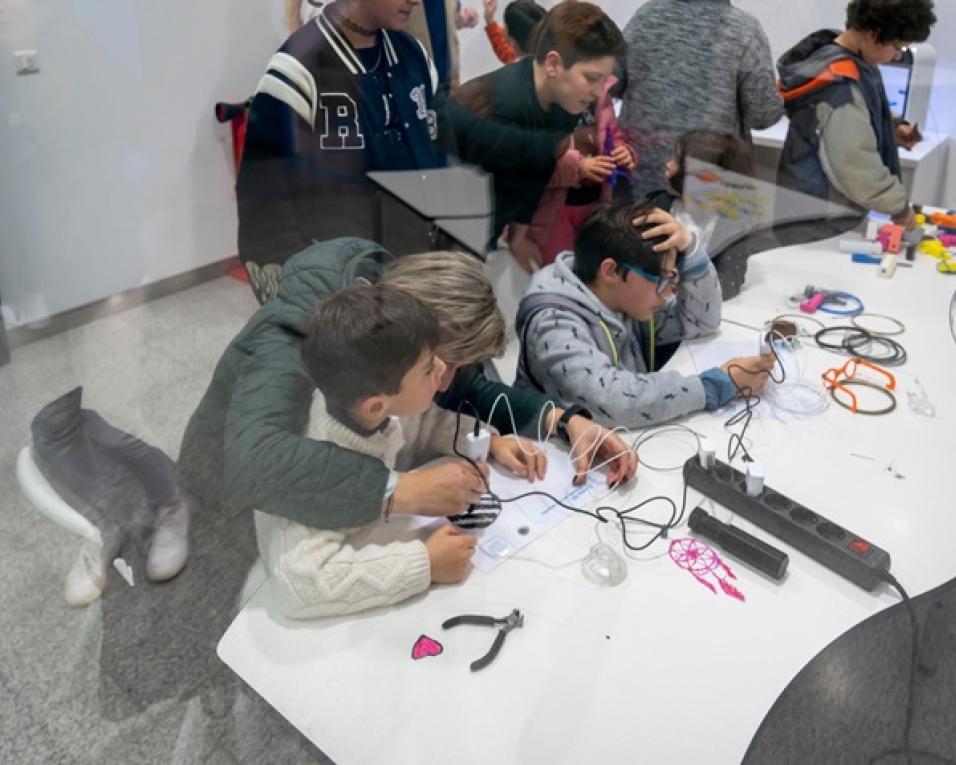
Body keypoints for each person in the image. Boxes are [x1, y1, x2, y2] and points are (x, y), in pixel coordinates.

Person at [178, 238, 636, 543]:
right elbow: (254, 464)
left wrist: (563, 420)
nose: (447, 377)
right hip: (225, 511)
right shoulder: (298, 337)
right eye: (441, 364)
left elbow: (469, 390)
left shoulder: (396, 313)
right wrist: (399, 490)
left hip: (321, 487)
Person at [257, 285, 527, 617]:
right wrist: (425, 563)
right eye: (429, 368)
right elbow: (299, 584)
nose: (443, 372)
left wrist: (491, 440)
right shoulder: (319, 460)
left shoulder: (376, 406)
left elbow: (426, 422)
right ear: (375, 406)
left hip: (371, 533)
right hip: (289, 581)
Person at [237, 0, 443, 302]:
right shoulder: (298, 68)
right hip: (340, 294)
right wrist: (302, 308)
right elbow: (265, 212)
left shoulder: (413, 55)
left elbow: (437, 159)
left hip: (414, 273)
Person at [515, 200, 776, 427]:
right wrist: (716, 385)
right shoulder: (552, 323)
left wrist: (691, 249)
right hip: (552, 457)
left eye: (674, 276)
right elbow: (611, 402)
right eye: (662, 280)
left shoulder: (622, 297)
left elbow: (701, 321)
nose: (670, 292)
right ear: (611, 272)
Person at [438, 1, 627, 271]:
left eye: (603, 80)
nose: (599, 93)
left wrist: (519, 235)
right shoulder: (503, 107)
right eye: (591, 78)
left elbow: (537, 168)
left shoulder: (567, 99)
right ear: (553, 64)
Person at [776, 0, 937, 232]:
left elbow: (860, 111)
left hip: (815, 205)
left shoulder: (843, 57)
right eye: (897, 47)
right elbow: (854, 164)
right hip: (818, 217)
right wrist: (899, 207)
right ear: (874, 34)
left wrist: (892, 127)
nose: (897, 56)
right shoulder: (839, 83)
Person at [618, 0, 783, 199]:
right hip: (705, 185)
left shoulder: (645, 16)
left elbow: (611, 84)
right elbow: (762, 115)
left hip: (636, 177)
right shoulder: (744, 29)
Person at [645, 129, 757, 299]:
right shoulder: (657, 207)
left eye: (677, 160)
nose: (668, 164)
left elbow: (730, 282)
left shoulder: (734, 223)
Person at [481, 0, 545, 65]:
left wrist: (489, 19)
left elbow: (506, 53)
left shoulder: (517, 65)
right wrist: (489, 19)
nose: (502, 30)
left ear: (513, 43)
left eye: (505, 27)